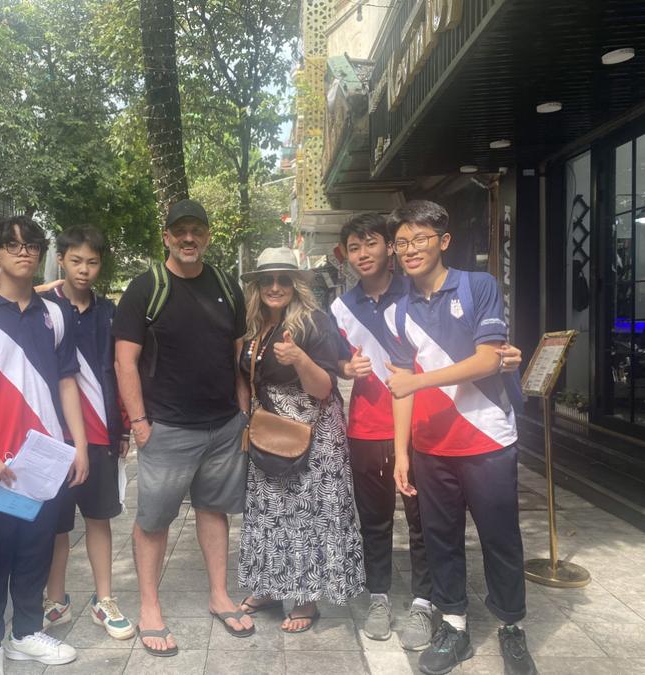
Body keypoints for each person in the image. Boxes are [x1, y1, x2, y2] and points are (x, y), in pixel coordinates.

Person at [330, 214, 524, 651]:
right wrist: (346, 368)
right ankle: (415, 610)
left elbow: (479, 353)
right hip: (395, 435)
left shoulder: (444, 289)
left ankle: (467, 614)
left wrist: (502, 358)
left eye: (375, 243)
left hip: (457, 432)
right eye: (354, 247)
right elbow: (344, 364)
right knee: (405, 529)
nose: (365, 253)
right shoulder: (360, 309)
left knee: (463, 531)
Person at [384, 200, 536, 675]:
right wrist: (402, 453)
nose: (411, 249)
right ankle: (454, 627)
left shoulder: (477, 286)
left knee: (500, 538)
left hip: (487, 439)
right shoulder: (397, 312)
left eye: (421, 239)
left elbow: (489, 359)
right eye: (402, 242)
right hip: (430, 449)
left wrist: (417, 380)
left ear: (443, 241)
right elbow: (400, 389)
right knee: (440, 540)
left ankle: (511, 628)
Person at [112, 199, 252, 656]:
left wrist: (243, 413)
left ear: (207, 236)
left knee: (214, 510)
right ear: (167, 237)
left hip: (223, 426)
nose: (188, 238)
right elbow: (125, 362)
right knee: (154, 521)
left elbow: (237, 355)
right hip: (167, 428)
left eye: (196, 230)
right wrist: (139, 424)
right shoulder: (145, 288)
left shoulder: (227, 285)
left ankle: (219, 596)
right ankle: (149, 609)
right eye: (180, 231)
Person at [0, 216, 85, 674]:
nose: (24, 252)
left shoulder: (56, 314)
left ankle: (26, 634)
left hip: (44, 460)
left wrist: (79, 445)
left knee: (36, 550)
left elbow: (68, 382)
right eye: (12, 246)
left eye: (32, 245)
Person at [236, 247, 364, 632]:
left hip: (314, 433)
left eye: (284, 279)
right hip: (269, 428)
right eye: (267, 279)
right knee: (270, 512)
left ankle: (307, 599)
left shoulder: (313, 322)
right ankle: (270, 588)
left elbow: (324, 387)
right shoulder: (254, 324)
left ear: (296, 284)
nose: (275, 286)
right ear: (257, 286)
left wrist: (299, 358)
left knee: (307, 514)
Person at [36, 225, 135, 640]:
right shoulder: (40, 307)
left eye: (92, 262)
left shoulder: (109, 312)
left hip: (99, 436)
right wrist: (40, 289)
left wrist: (123, 429)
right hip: (53, 435)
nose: (84, 269)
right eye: (75, 260)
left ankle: (104, 599)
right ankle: (55, 600)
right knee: (56, 526)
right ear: (60, 260)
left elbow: (120, 370)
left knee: (98, 519)